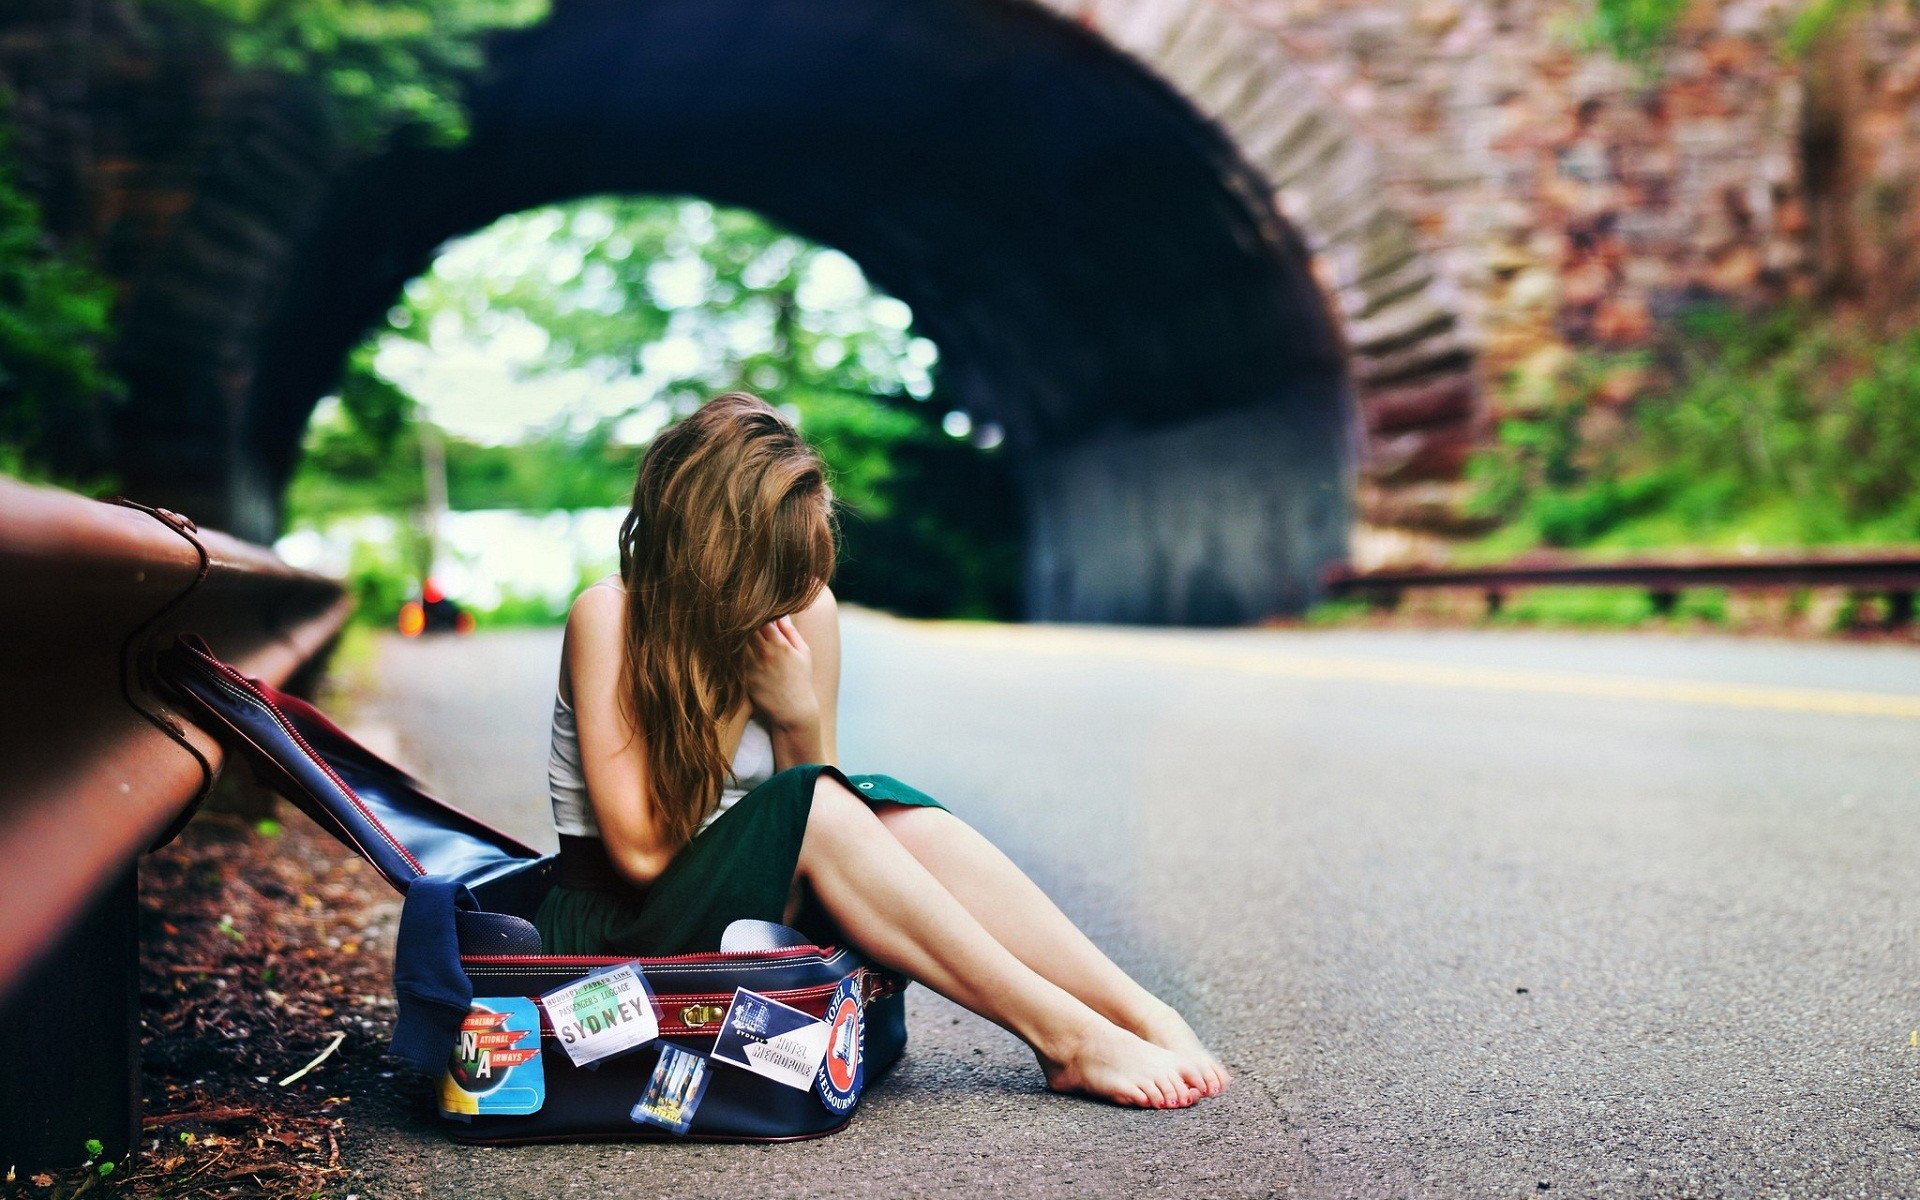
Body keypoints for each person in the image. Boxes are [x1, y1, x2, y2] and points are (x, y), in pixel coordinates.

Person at [533, 391, 1228, 1109]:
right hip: (624, 932)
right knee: (833, 811)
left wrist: (796, 714)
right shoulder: (611, 617)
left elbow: (821, 801)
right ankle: (1067, 1039)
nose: (791, 589)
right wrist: (745, 699)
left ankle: (1139, 1013)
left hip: (745, 913)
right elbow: (642, 855)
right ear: (715, 549)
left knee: (897, 813)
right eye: (769, 565)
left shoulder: (804, 607)